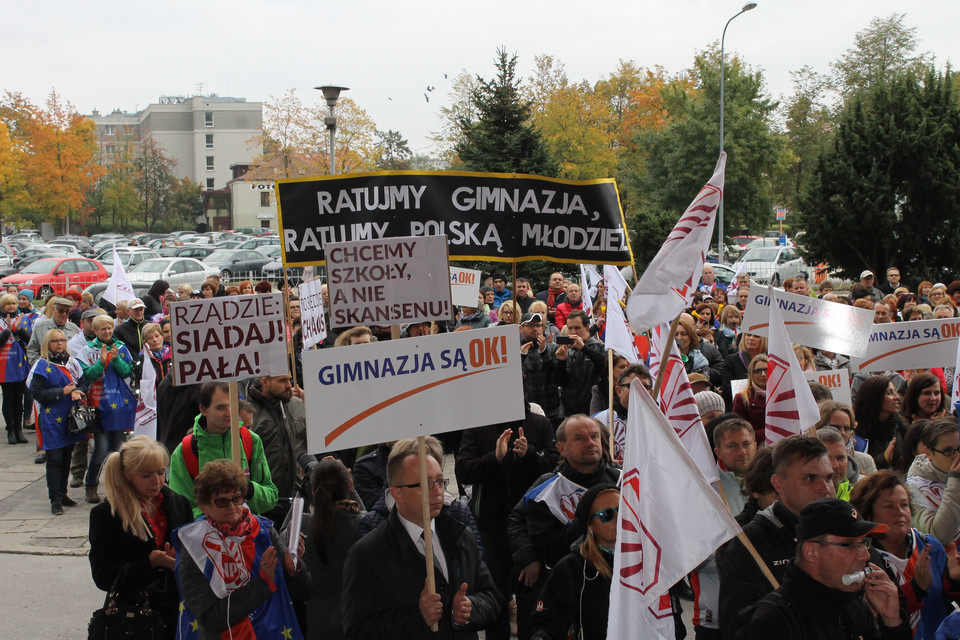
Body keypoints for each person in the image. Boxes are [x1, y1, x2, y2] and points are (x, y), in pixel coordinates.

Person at [342, 438, 502, 639]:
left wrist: (471, 608)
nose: (438, 492)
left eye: (440, 482)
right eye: (425, 484)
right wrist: (416, 616)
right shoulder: (366, 553)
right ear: (397, 494)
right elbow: (357, 631)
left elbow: (492, 597)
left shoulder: (461, 535)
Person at [507, 415, 621, 639]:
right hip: (563, 590)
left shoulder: (620, 480)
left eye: (595, 436)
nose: (590, 442)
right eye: (579, 438)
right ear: (562, 448)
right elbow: (540, 541)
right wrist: (528, 557)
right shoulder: (548, 487)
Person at [174, 460, 310, 640]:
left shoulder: (264, 530)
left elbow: (303, 593)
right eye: (221, 501)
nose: (232, 507)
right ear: (204, 506)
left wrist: (294, 570)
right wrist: (262, 583)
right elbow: (211, 619)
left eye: (237, 498)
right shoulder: (195, 545)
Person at [456, 404, 560, 640]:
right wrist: (495, 458)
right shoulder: (478, 427)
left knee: (532, 597)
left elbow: (554, 465)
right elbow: (463, 470)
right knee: (495, 595)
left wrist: (530, 454)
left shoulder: (539, 423)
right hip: (491, 526)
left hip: (532, 527)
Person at [717, 435, 835, 640]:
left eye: (828, 478)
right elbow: (737, 628)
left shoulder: (847, 528)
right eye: (810, 478)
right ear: (778, 484)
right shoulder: (749, 544)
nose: (825, 489)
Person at [741, 497, 910, 640]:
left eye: (864, 543)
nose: (865, 555)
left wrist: (892, 622)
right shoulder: (773, 621)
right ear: (812, 552)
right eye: (850, 545)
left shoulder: (854, 606)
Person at [88, 436, 193, 639]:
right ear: (127, 475)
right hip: (132, 620)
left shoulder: (179, 504)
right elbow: (103, 576)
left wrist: (178, 563)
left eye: (161, 472)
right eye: (146, 475)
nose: (157, 481)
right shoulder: (107, 514)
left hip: (176, 614)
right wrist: (149, 563)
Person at [852, 470, 960, 639]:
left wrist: (953, 580)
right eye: (889, 506)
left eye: (904, 505)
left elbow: (948, 607)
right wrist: (916, 589)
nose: (899, 512)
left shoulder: (929, 546)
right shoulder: (861, 557)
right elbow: (871, 618)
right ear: (868, 513)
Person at [169, 381, 279, 518]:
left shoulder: (251, 440)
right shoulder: (184, 451)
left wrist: (249, 489)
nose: (229, 413)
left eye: (232, 405)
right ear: (203, 409)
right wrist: (220, 512)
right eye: (220, 408)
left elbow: (271, 497)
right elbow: (181, 510)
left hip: (249, 536)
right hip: (206, 538)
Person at [692, 418, 758, 639]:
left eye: (746, 444)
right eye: (732, 446)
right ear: (718, 452)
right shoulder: (704, 491)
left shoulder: (772, 485)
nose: (742, 452)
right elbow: (695, 557)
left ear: (755, 445)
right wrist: (736, 557)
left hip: (765, 610)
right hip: (717, 613)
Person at [529, 483, 619, 640]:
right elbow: (547, 623)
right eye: (607, 515)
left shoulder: (649, 561)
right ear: (590, 525)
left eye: (623, 511)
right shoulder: (572, 568)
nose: (619, 520)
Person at [286, 458, 361, 640]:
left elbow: (284, 540)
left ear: (313, 491)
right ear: (350, 484)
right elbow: (362, 515)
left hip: (316, 626)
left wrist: (301, 491)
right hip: (358, 623)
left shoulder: (300, 527)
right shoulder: (365, 525)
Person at [77, 314, 137, 504]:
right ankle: (91, 486)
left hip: (118, 406)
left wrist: (115, 358)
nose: (107, 332)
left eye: (110, 328)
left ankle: (116, 488)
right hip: (98, 405)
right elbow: (86, 376)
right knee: (101, 450)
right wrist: (101, 362)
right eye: (103, 329)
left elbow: (127, 371)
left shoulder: (120, 347)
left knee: (116, 450)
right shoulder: (87, 350)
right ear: (95, 331)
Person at [28, 329, 86, 512]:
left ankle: (63, 492)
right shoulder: (41, 365)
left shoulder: (73, 363)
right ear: (48, 343)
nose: (59, 343)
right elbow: (37, 393)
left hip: (70, 417)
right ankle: (55, 498)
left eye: (62, 340)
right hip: (52, 417)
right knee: (54, 459)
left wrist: (78, 391)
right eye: (55, 341)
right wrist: (61, 392)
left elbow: (84, 382)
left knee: (67, 456)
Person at [246, 373, 308, 523]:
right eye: (282, 380)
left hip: (297, 502)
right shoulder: (248, 413)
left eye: (289, 379)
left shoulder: (297, 405)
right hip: (265, 507)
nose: (289, 385)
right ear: (265, 382)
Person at [907, 417, 960, 546]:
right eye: (948, 451)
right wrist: (955, 480)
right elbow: (938, 537)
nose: (957, 456)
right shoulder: (915, 487)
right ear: (929, 453)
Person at [591, 364, 652, 464]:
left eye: (645, 387)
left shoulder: (661, 424)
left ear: (651, 393)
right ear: (618, 391)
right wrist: (604, 464)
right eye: (631, 386)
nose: (638, 391)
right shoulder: (599, 421)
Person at [553, 310, 606, 417]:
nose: (573, 332)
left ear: (586, 328)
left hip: (594, 408)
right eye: (570, 328)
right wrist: (561, 361)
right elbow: (560, 382)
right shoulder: (565, 349)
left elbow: (604, 367)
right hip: (571, 410)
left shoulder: (597, 347)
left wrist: (584, 348)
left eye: (577, 328)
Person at [854, 375, 906, 471]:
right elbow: (857, 469)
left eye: (895, 391)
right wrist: (883, 458)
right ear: (874, 397)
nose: (897, 397)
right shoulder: (856, 432)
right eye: (889, 393)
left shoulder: (901, 427)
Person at [519, 312, 562, 426]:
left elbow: (557, 377)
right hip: (527, 411)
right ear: (521, 328)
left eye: (538, 325)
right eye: (530, 325)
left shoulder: (552, 349)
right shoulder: (515, 350)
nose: (535, 329)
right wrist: (521, 356)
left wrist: (544, 353)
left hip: (552, 410)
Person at [0, 293, 31, 444]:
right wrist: (7, 331)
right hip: (5, 365)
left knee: (19, 398)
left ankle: (19, 430)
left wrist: (18, 330)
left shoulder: (24, 319)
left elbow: (30, 341)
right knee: (8, 398)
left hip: (20, 363)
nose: (12, 306)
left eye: (14, 303)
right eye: (8, 304)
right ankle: (10, 429)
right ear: (2, 306)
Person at [26, 297, 80, 365]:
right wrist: (39, 366)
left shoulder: (75, 330)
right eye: (61, 311)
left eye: (67, 312)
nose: (64, 314)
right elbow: (32, 350)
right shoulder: (40, 327)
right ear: (53, 310)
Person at [721, 332, 766, 409]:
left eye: (756, 336)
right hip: (739, 406)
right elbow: (727, 390)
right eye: (748, 335)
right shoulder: (732, 360)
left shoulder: (769, 361)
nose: (751, 338)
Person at [733, 354, 768, 443]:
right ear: (751, 374)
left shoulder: (781, 396)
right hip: (756, 447)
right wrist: (769, 432)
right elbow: (740, 431)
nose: (763, 374)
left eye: (766, 370)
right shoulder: (741, 398)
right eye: (758, 371)